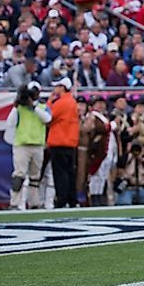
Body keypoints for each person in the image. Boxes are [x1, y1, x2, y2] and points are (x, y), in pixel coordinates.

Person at [4, 82, 51, 209]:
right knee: (19, 174)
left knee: (35, 176)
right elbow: (10, 122)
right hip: (22, 144)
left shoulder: (42, 106)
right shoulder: (19, 108)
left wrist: (34, 107)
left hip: (37, 144)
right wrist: (17, 105)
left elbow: (47, 119)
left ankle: (34, 203)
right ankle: (14, 203)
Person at [47, 76, 80, 207]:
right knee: (70, 172)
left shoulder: (61, 102)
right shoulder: (72, 101)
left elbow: (49, 116)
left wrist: (49, 102)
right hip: (70, 142)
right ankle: (72, 199)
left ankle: (61, 199)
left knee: (60, 173)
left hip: (59, 141)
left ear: (62, 87)